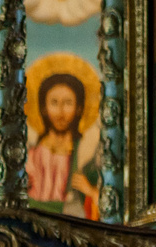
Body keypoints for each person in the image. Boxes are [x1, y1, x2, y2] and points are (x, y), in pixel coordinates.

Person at [26, 69, 100, 219]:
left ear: (79, 108)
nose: (60, 112)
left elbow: (106, 202)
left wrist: (90, 191)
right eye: (54, 103)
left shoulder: (85, 154)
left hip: (71, 222)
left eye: (68, 103)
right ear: (44, 108)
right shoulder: (31, 155)